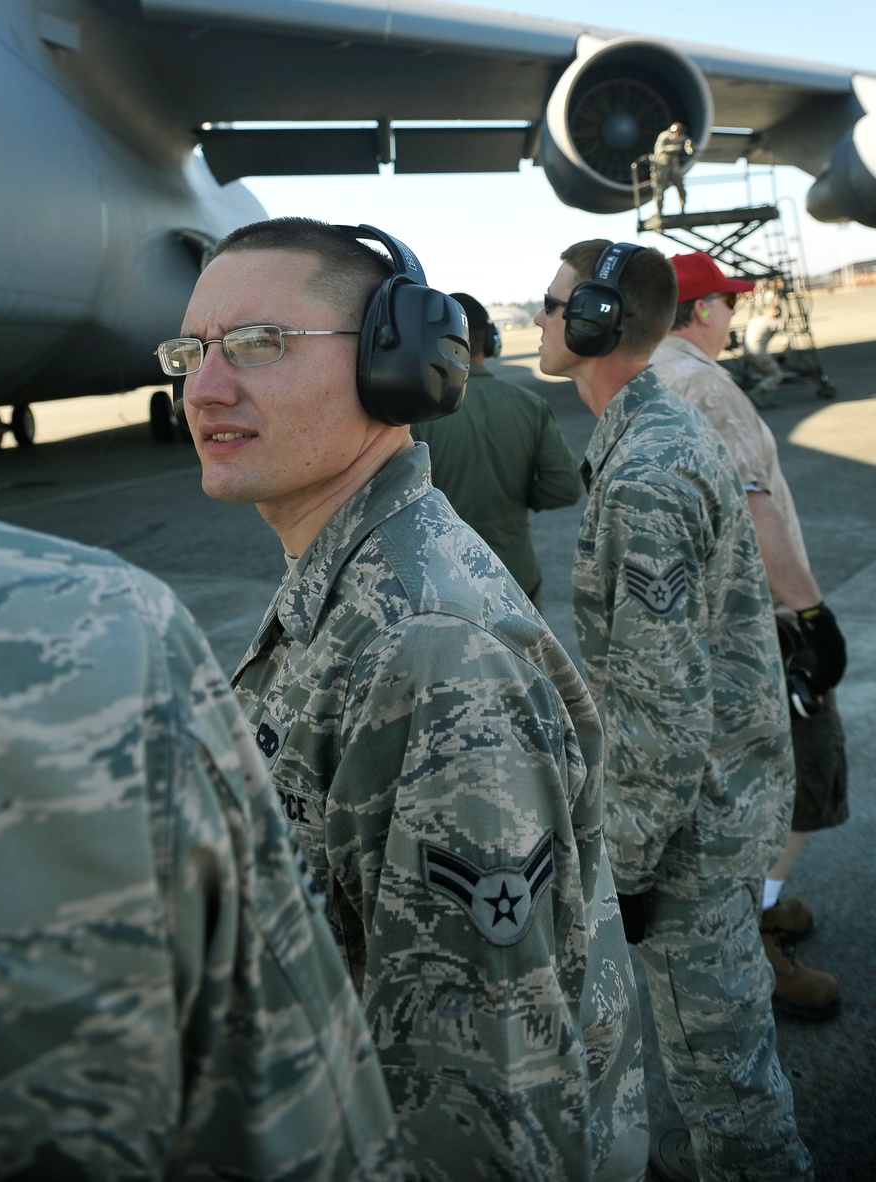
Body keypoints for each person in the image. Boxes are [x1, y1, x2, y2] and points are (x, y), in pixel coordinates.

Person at [163, 216, 647, 1180]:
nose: (205, 389)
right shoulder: (355, 584)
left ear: (398, 364)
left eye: (261, 345)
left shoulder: (435, 653)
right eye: (191, 352)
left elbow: (485, 1114)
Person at [0, 494, 402, 1180]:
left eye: (258, 372)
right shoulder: (101, 628)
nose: (201, 393)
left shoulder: (424, 632)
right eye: (183, 374)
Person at [535, 238, 813, 1180]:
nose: (537, 319)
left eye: (550, 303)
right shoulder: (650, 427)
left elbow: (662, 700)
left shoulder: (648, 471)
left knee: (730, 1100)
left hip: (692, 835)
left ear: (593, 323)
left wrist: (630, 860)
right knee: (709, 1089)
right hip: (723, 799)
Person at [652, 249, 848, 1021]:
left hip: (700, 621)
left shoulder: (651, 381)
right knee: (804, 779)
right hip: (759, 621)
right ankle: (753, 936)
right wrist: (809, 614)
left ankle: (756, 909)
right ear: (702, 311)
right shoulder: (703, 382)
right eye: (726, 303)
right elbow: (751, 503)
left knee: (745, 782)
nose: (733, 315)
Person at [410, 291, 583, 611]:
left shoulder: (415, 413)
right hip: (515, 579)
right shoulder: (531, 405)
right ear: (490, 341)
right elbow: (565, 489)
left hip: (441, 584)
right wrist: (516, 491)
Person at [742, 298, 786, 408]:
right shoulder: (773, 322)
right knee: (776, 374)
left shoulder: (755, 319)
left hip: (747, 351)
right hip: (758, 352)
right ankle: (756, 394)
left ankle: (765, 399)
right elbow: (785, 339)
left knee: (767, 373)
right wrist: (785, 354)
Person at [650, 122, 694, 215]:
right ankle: (659, 211)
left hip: (673, 164)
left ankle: (682, 208)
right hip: (662, 164)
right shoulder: (664, 136)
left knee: (680, 186)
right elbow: (659, 148)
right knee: (659, 189)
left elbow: (688, 143)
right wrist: (672, 148)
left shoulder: (681, 138)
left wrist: (689, 146)